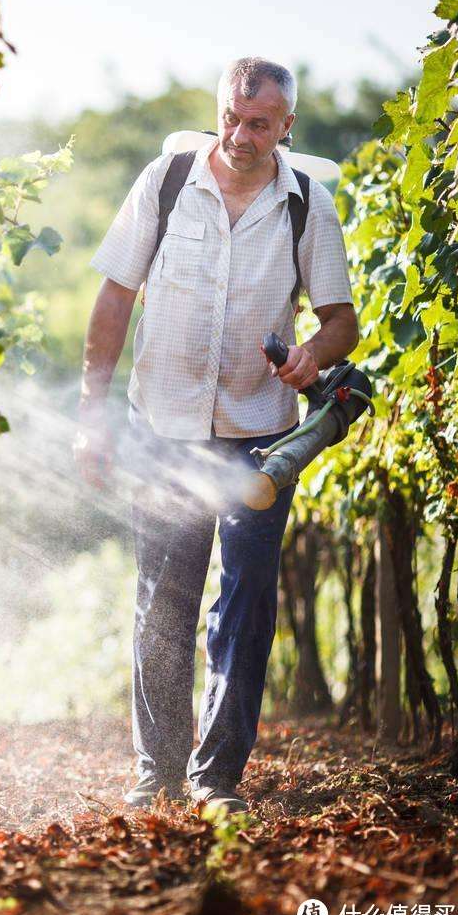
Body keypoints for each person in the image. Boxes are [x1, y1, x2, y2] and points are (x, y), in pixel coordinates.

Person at [73, 57, 358, 813]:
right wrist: (91, 413)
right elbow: (114, 297)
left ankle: (215, 780)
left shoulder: (307, 206)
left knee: (244, 606)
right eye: (230, 116)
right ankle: (156, 773)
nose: (238, 133)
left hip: (258, 441)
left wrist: (311, 357)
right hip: (162, 429)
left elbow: (340, 323)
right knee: (163, 604)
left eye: (258, 123)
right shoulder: (166, 181)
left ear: (286, 126)